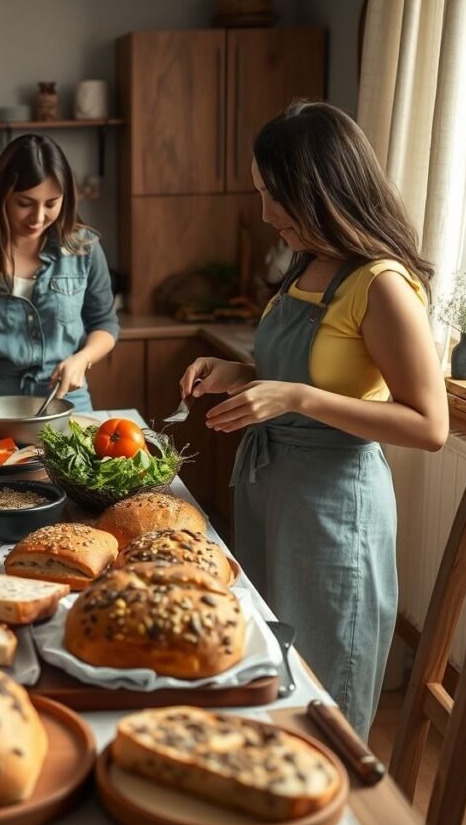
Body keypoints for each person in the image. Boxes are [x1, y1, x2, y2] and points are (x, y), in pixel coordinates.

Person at [179, 100, 448, 737]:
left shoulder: (381, 284)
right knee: (274, 668)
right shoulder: (307, 263)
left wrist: (296, 399)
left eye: (275, 196)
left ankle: (338, 821)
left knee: (327, 691)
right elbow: (308, 374)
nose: (266, 213)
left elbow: (429, 426)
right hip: (274, 494)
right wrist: (242, 378)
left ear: (319, 191)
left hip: (334, 510)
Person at [0, 134, 118, 414]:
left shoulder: (85, 249)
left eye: (51, 203)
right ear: (2, 195)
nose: (38, 217)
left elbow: (105, 325)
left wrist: (82, 359)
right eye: (25, 203)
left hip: (64, 398)